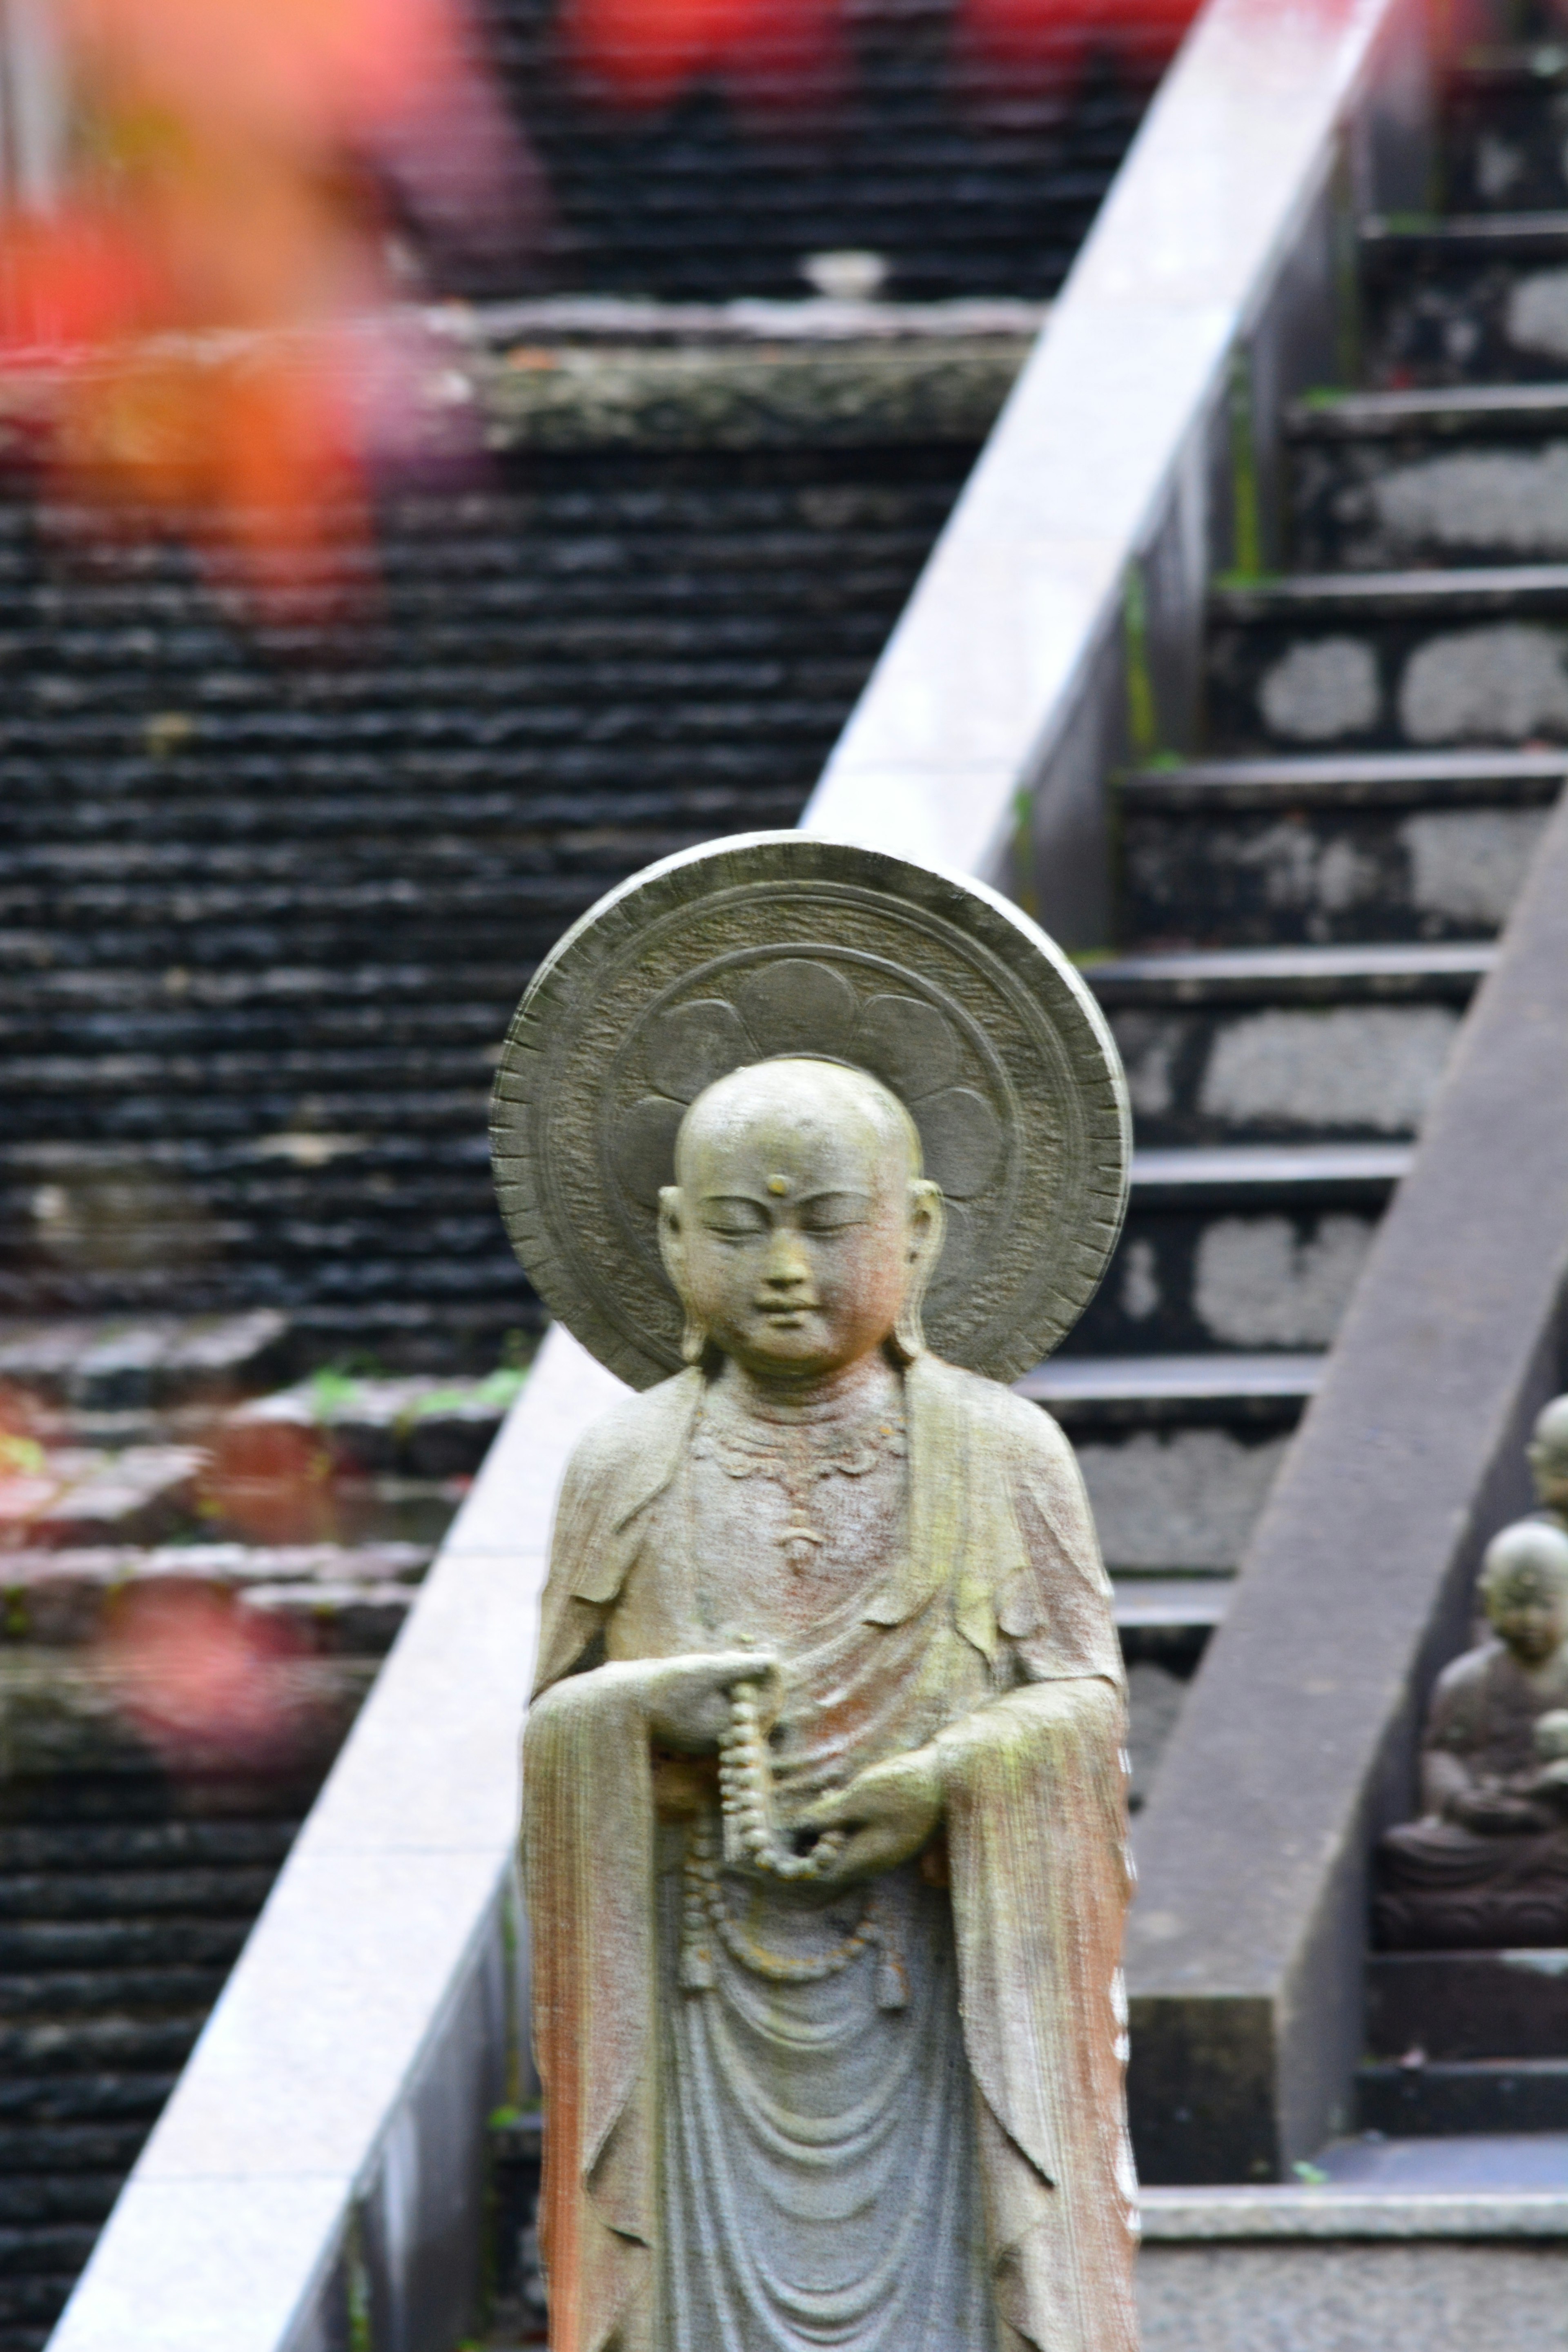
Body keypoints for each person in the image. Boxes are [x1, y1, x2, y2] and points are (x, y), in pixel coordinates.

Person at [521, 1057, 1139, 2352]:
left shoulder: (1000, 1452)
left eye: (827, 1225)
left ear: (916, 1231)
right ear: (675, 1236)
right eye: (740, 1231)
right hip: (698, 2015)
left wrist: (948, 1778)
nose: (785, 1268)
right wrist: (631, 1716)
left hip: (934, 1993)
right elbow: (555, 1723)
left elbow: (1083, 1702)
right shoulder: (623, 1465)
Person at [1375, 1519, 1568, 1950]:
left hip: (1558, 1830)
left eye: (1545, 1605)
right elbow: (1442, 1754)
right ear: (1489, 1602)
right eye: (1516, 1604)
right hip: (1490, 1829)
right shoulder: (1467, 1680)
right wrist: (1463, 1802)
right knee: (1406, 1852)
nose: (1530, 1620)